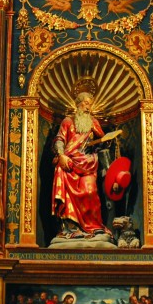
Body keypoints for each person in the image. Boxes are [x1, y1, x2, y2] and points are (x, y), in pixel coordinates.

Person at [51, 90, 110, 240]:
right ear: (78, 104)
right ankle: (71, 228)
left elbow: (102, 141)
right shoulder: (68, 121)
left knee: (90, 191)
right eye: (85, 103)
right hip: (69, 163)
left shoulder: (93, 122)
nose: (88, 107)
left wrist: (105, 139)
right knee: (68, 194)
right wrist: (61, 155)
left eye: (90, 104)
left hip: (88, 163)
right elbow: (59, 139)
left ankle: (94, 226)